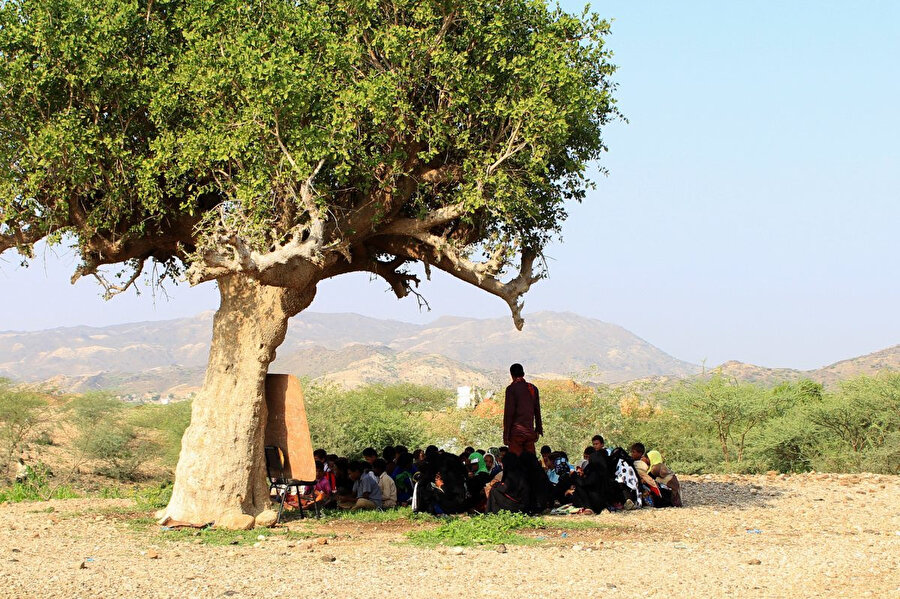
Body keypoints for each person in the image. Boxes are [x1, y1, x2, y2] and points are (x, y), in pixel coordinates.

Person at [503, 363, 543, 456]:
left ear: (511, 375)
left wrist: (506, 435)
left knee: (517, 463)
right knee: (530, 461)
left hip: (516, 433)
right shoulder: (532, 388)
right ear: (523, 373)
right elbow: (537, 410)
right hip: (529, 431)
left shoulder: (511, 389)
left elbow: (509, 414)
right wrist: (538, 429)